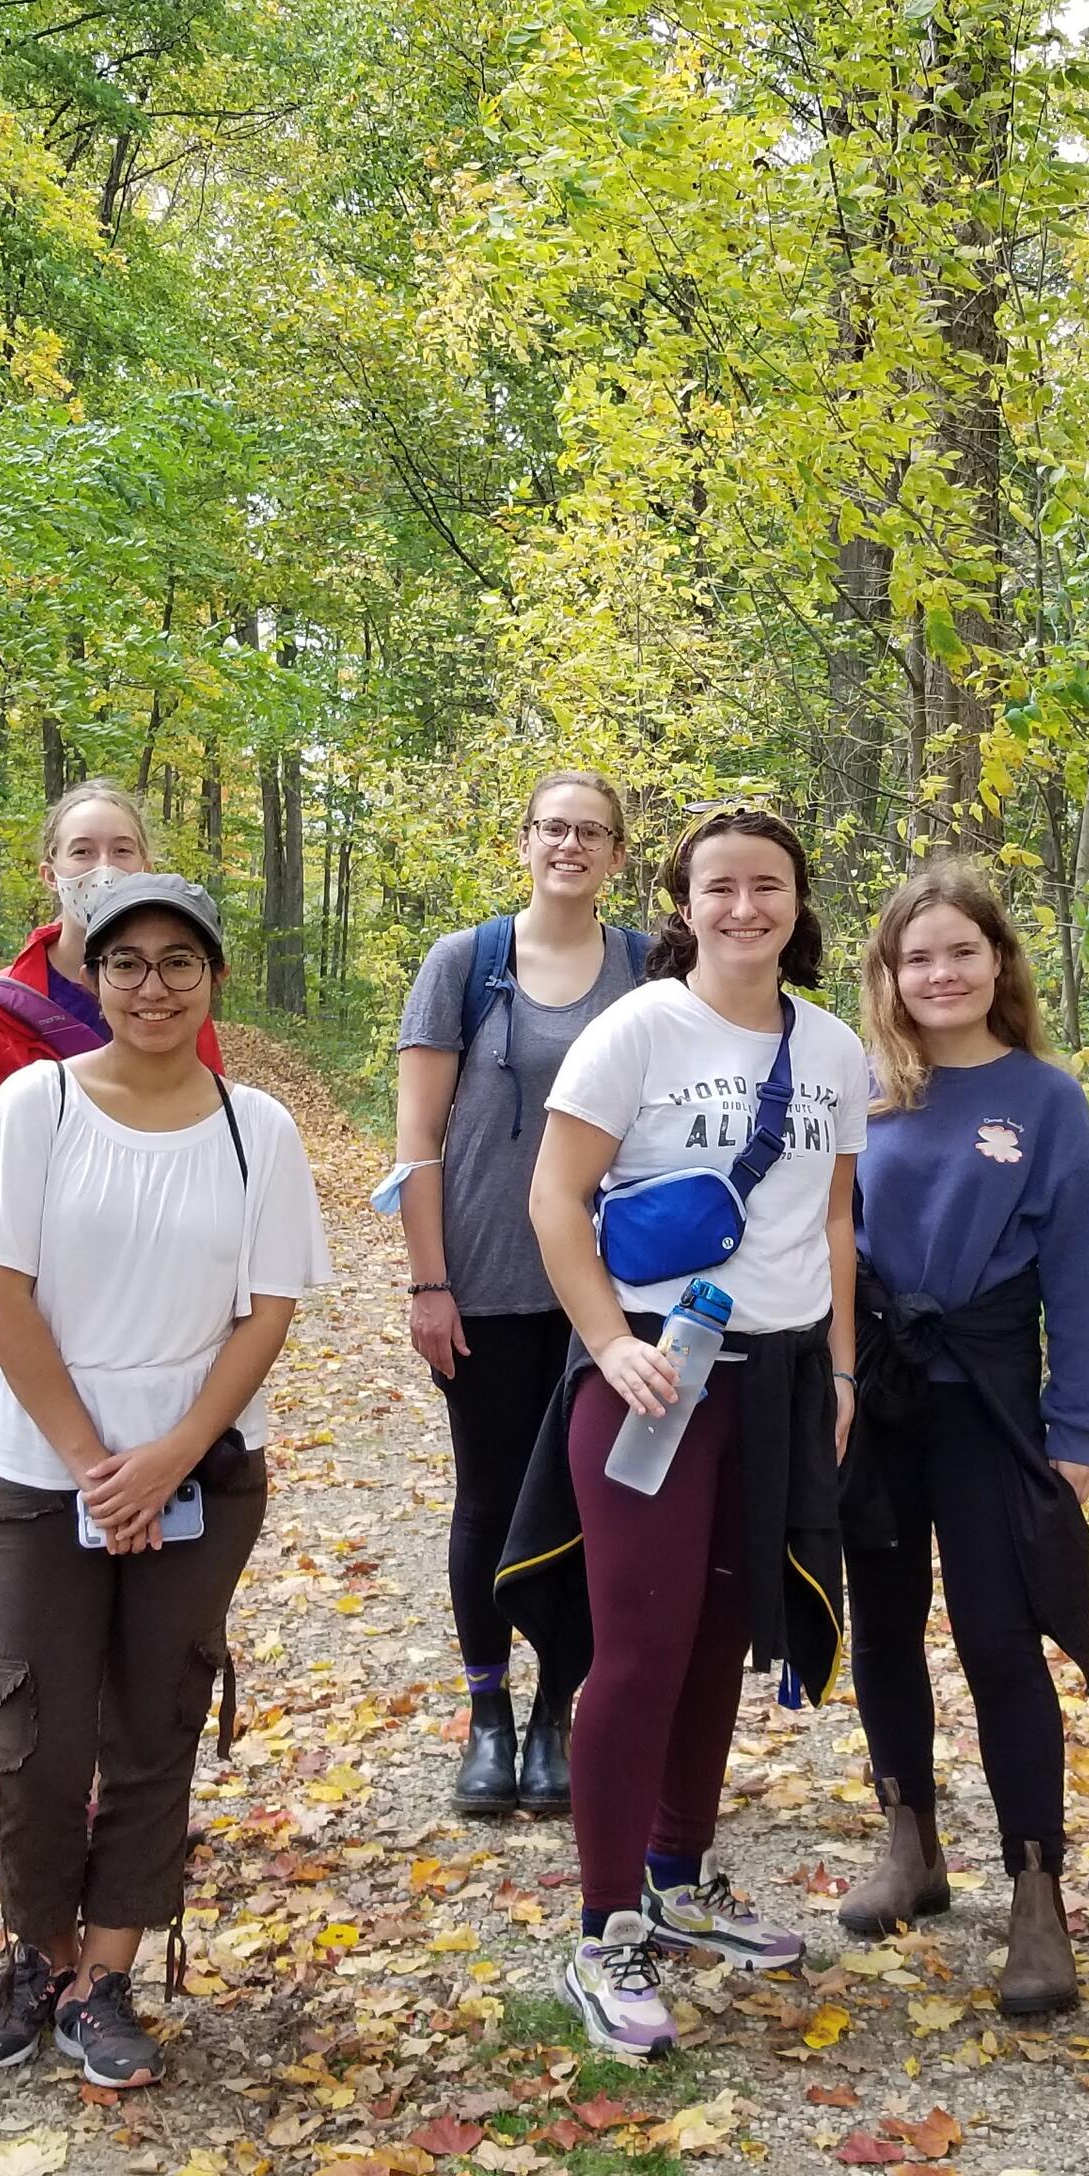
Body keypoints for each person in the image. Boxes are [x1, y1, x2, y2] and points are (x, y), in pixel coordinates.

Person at [0, 872, 329, 2088]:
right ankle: (36, 1959)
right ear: (92, 976)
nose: (151, 986)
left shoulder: (251, 1125)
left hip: (199, 1466)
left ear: (212, 978)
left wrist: (164, 1459)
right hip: (35, 1465)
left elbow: (269, 1308)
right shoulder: (34, 1104)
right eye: (126, 964)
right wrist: (88, 1463)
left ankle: (108, 1978)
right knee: (34, 1729)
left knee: (156, 1718)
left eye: (177, 963)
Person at [497, 804, 867, 2061]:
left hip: (777, 1381)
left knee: (724, 1634)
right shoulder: (638, 1029)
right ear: (685, 903)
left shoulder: (832, 1048)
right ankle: (603, 1933)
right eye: (721, 887)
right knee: (642, 1648)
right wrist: (607, 1342)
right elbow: (556, 1196)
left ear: (798, 902)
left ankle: (678, 1876)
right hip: (657, 1376)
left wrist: (843, 1370)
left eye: (769, 885)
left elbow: (830, 1224)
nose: (746, 908)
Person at [0, 781, 226, 1877]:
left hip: (150, 1347)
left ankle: (105, 1787)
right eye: (81, 850)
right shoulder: (5, 1015)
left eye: (123, 847)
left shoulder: (173, 998)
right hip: (23, 1350)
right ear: (48, 870)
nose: (101, 866)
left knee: (138, 1567)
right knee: (1, 1572)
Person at [838, 864, 1089, 2018]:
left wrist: (1078, 1434)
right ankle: (910, 1837)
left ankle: (1036, 1891)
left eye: (961, 952)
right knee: (885, 1620)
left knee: (1002, 1640)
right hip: (879, 1390)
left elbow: (1079, 1277)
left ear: (998, 961)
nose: (941, 974)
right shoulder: (859, 1093)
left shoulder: (1046, 1100)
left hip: (993, 1394)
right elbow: (823, 1244)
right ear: (890, 978)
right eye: (918, 958)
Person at [392, 773, 647, 1817]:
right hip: (490, 1280)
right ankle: (488, 1717)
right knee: (490, 1499)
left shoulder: (646, 966)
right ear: (524, 841)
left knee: (594, 1506)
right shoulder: (465, 964)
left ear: (619, 855)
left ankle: (558, 1718)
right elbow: (416, 1138)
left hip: (615, 1291)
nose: (570, 846)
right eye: (554, 828)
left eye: (591, 833)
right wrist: (427, 1281)